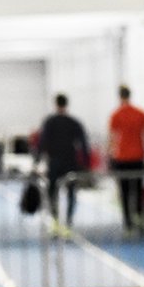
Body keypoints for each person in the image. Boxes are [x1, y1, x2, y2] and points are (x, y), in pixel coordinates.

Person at [34, 94, 90, 236]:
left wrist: (37, 160)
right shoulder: (73, 122)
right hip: (70, 162)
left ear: (55, 104)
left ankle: (55, 221)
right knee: (71, 193)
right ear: (67, 104)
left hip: (54, 162)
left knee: (53, 192)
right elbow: (83, 143)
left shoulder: (50, 122)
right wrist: (86, 162)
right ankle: (68, 222)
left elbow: (42, 142)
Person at [108, 85, 144, 235]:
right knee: (138, 190)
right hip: (138, 157)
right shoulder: (141, 114)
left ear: (119, 96)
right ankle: (139, 219)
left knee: (124, 192)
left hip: (122, 158)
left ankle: (128, 224)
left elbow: (112, 138)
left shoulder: (116, 115)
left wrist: (109, 157)